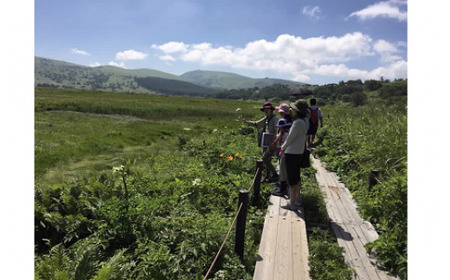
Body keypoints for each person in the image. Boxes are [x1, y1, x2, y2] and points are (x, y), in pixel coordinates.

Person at [281, 99, 309, 210]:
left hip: (291, 153)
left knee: (292, 179)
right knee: (296, 177)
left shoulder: (297, 123)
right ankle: (297, 199)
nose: (291, 110)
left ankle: (292, 203)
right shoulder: (305, 121)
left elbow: (290, 138)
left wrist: (282, 147)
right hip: (299, 152)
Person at [242, 102, 279, 182]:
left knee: (265, 159)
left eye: (267, 109)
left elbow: (277, 130)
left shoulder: (275, 118)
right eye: (265, 109)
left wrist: (275, 141)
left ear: (271, 110)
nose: (266, 111)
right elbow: (257, 124)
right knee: (267, 159)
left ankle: (275, 174)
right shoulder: (266, 118)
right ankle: (267, 176)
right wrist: (247, 122)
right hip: (266, 142)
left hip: (272, 142)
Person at [271, 103, 291, 197]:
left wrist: (275, 144)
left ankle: (282, 189)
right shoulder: (289, 121)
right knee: (284, 168)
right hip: (286, 149)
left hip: (284, 149)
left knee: (283, 169)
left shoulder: (283, 123)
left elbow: (280, 136)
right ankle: (283, 186)